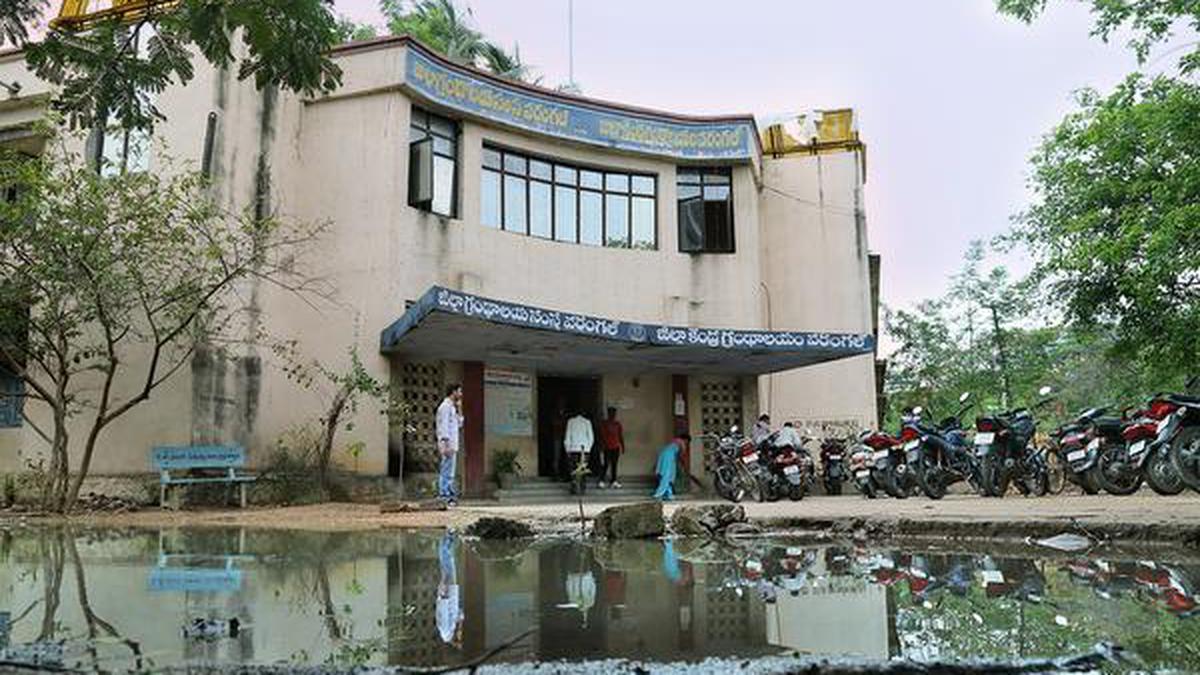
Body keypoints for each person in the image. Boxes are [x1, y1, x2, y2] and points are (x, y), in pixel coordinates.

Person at [436, 383, 463, 505]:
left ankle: (449, 496)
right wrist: (446, 444)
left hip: (453, 444)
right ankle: (444, 496)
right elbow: (443, 426)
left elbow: (460, 424)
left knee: (450, 472)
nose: (461, 394)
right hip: (448, 443)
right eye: (459, 391)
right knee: (446, 470)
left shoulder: (452, 407)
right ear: (453, 392)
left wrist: (459, 408)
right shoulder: (445, 407)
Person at [436, 531, 463, 646]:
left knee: (447, 562)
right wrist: (460, 623)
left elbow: (443, 610)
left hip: (448, 591)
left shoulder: (446, 632)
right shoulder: (451, 631)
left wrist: (444, 586)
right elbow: (459, 614)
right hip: (452, 591)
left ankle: (448, 536)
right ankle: (449, 538)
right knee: (450, 561)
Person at [652, 433, 691, 501]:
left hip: (664, 455)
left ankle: (669, 494)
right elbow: (682, 455)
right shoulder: (682, 442)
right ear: (685, 440)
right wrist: (685, 466)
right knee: (667, 476)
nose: (687, 443)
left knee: (668, 476)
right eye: (687, 442)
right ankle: (658, 494)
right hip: (668, 457)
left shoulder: (674, 441)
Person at [564, 409, 594, 494]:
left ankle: (574, 488)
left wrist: (567, 449)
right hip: (584, 449)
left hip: (573, 449)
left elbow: (567, 436)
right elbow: (591, 437)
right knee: (583, 469)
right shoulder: (587, 422)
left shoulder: (570, 422)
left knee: (573, 469)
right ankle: (582, 488)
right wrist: (588, 448)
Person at [598, 406, 625, 489]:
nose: (612, 415)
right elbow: (602, 436)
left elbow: (620, 436)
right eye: (611, 413)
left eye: (614, 413)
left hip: (616, 447)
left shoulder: (617, 424)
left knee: (614, 465)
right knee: (606, 464)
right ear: (608, 414)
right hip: (607, 447)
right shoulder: (604, 423)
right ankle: (601, 480)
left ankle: (613, 481)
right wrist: (602, 446)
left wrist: (623, 446)